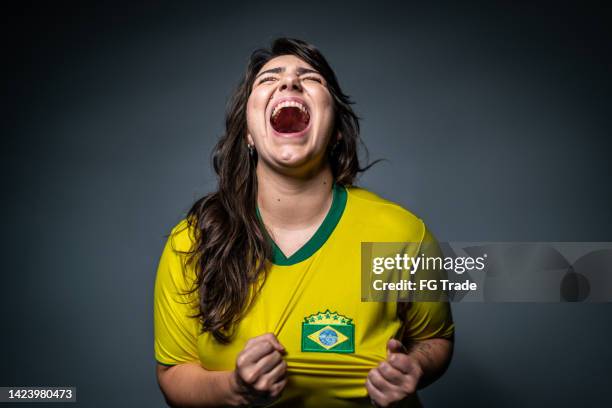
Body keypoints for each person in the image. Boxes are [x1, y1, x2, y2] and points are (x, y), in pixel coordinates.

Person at [153, 38, 454, 407]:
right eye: (268, 79)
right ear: (248, 132)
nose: (289, 83)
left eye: (309, 78)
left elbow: (436, 339)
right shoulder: (193, 241)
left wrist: (414, 367)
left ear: (337, 131)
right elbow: (173, 374)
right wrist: (234, 388)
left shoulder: (400, 233)